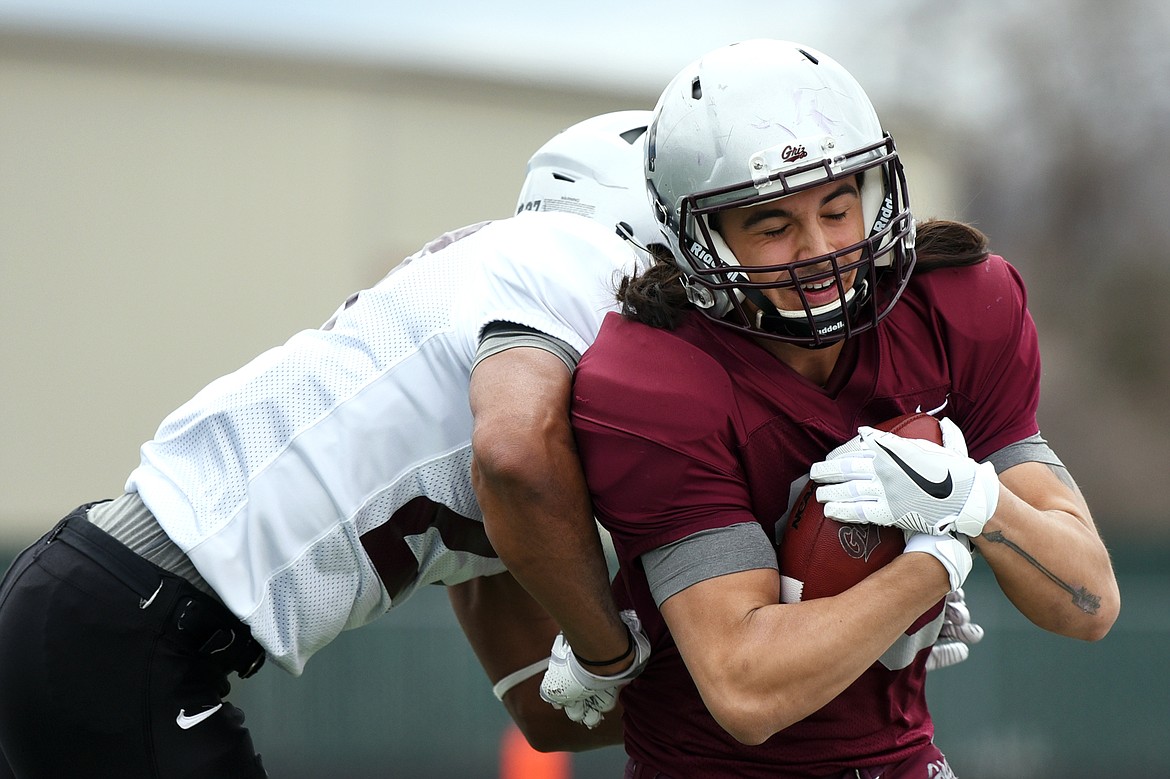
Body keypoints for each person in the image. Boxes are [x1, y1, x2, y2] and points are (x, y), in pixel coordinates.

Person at [0, 111, 661, 778]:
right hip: (128, 624)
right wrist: (610, 651)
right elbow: (514, 458)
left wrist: (746, 699)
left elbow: (542, 702)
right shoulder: (576, 265)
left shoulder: (493, 368)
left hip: (109, 611)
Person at [559, 39, 1121, 778]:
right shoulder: (655, 380)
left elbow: (1090, 602)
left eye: (836, 207)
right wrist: (935, 560)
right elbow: (746, 688)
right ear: (704, 239)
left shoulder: (958, 308)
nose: (820, 250)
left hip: (905, 760)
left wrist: (983, 504)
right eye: (771, 225)